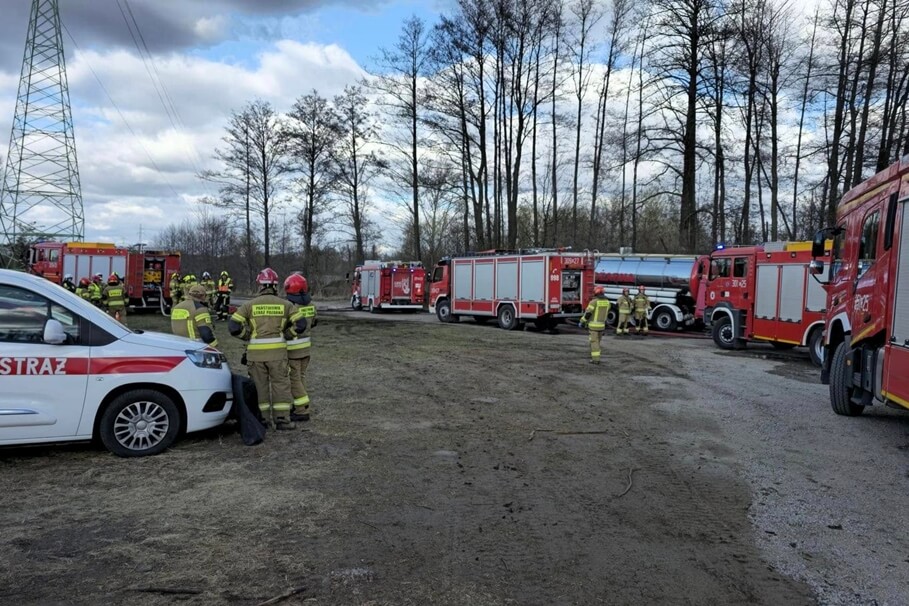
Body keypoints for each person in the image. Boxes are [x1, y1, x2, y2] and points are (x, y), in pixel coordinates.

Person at [229, 268, 307, 431]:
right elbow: (301, 324)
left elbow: (233, 327)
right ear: (275, 286)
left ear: (260, 286)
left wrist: (247, 336)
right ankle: (282, 420)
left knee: (260, 387)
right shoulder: (286, 305)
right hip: (278, 355)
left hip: (255, 356)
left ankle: (263, 420)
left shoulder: (249, 305)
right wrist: (288, 334)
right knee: (280, 386)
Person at [283, 273, 317, 422]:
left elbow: (285, 326)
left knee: (294, 379)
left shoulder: (291, 306)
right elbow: (314, 322)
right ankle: (300, 406)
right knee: (301, 377)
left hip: (293, 350)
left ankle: (302, 410)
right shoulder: (311, 305)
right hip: (306, 349)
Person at [580, 286, 611, 364]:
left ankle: (596, 359)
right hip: (602, 326)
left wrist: (582, 321)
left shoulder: (594, 302)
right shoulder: (607, 302)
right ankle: (595, 357)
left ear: (595, 292)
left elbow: (588, 313)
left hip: (593, 326)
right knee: (598, 342)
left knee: (594, 342)